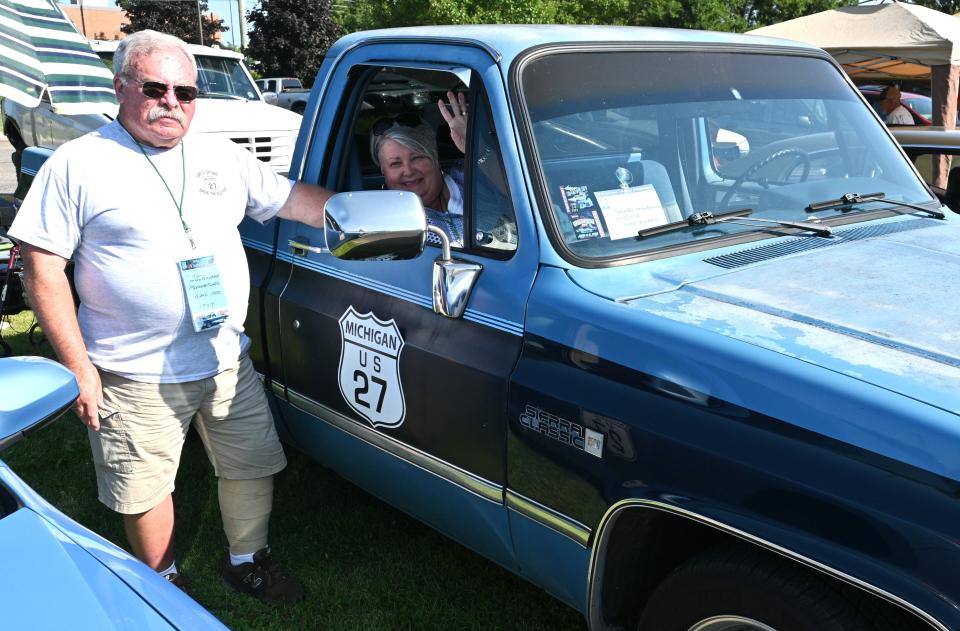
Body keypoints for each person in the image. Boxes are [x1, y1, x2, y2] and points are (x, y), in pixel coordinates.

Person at [8, 30, 333, 603]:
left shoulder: (221, 156)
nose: (172, 102)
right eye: (155, 87)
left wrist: (382, 212)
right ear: (121, 87)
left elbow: (293, 201)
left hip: (224, 357)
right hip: (130, 370)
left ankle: (246, 560)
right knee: (144, 486)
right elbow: (41, 268)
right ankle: (163, 584)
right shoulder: (78, 164)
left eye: (186, 91)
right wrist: (79, 367)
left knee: (251, 461)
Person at [370, 91, 468, 246]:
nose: (408, 171)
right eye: (395, 164)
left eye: (417, 158)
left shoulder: (469, 175)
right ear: (383, 169)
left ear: (435, 155)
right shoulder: (385, 220)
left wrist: (477, 149)